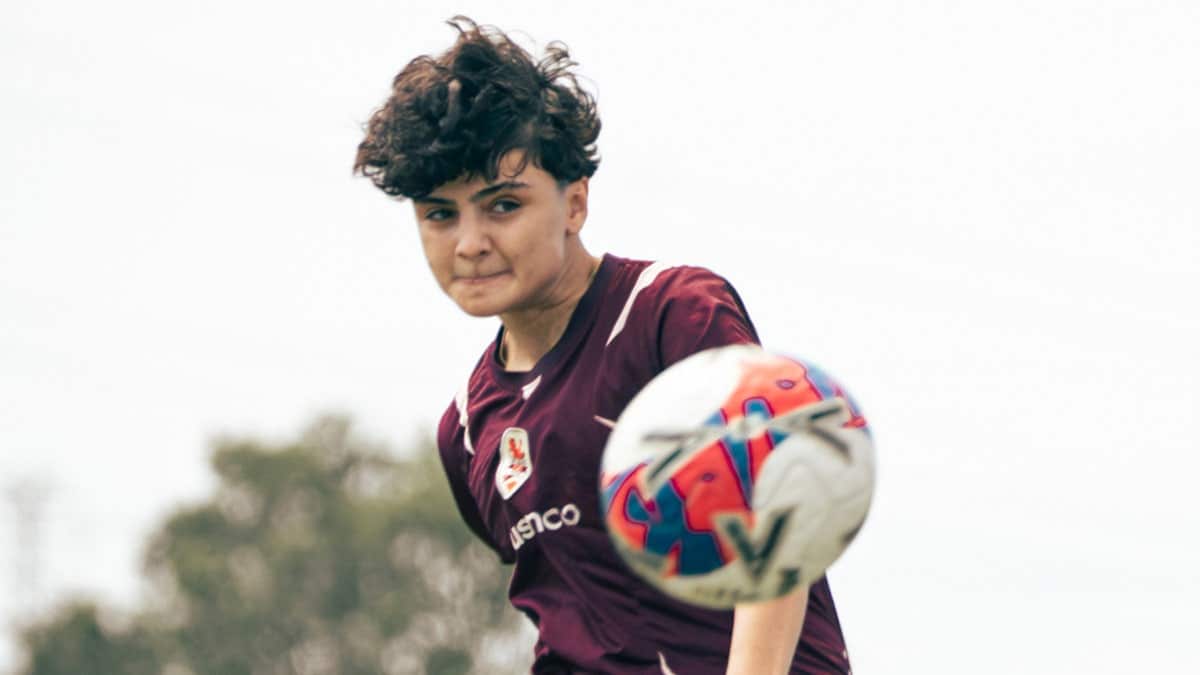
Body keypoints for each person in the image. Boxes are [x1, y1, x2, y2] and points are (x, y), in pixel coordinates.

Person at [354, 17, 853, 675]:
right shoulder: (468, 431)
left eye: (502, 205)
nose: (469, 242)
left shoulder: (670, 313)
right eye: (440, 214)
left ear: (575, 203)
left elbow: (784, 515)